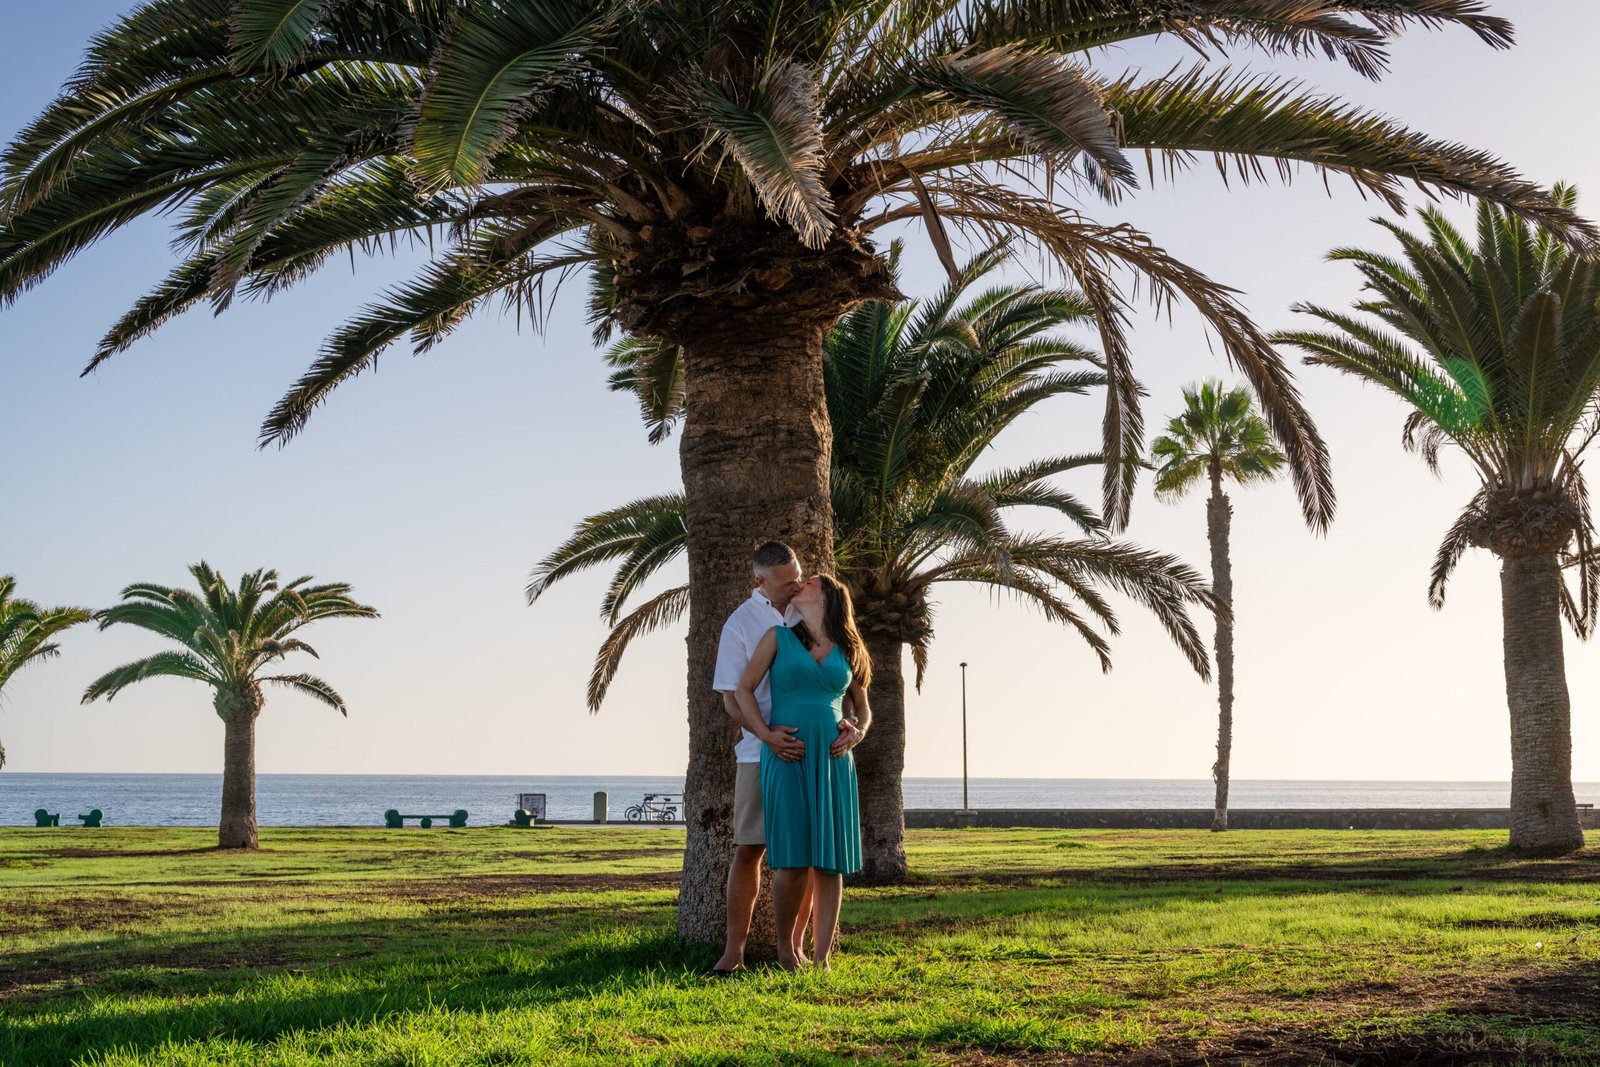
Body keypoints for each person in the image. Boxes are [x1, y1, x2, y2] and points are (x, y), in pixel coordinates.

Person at [708, 542, 850, 974]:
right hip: (760, 752)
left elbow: (843, 679)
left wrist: (850, 725)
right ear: (761, 581)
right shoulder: (742, 624)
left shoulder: (809, 614)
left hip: (813, 752)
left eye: (799, 577)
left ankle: (799, 949)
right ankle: (734, 953)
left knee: (809, 852)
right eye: (787, 582)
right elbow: (733, 697)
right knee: (750, 847)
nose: (796, 585)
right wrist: (768, 737)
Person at [736, 573, 873, 970]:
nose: (800, 585)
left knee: (829, 862)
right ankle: (785, 952)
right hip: (787, 755)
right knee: (793, 860)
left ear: (828, 596)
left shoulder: (850, 648)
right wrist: (765, 735)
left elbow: (862, 707)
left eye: (810, 581)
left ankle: (822, 958)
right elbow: (743, 689)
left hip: (833, 758)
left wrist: (858, 732)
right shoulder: (777, 639)